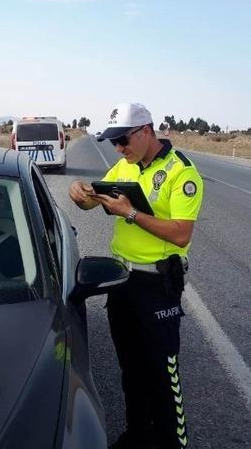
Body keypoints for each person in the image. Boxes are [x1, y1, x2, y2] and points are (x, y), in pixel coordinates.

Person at [68, 102, 204, 449]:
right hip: (123, 282)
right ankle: (138, 436)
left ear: (146, 131)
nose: (118, 149)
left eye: (123, 140)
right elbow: (94, 200)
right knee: (131, 369)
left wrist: (130, 213)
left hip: (157, 285)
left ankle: (172, 443)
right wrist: (81, 195)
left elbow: (180, 234)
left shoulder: (181, 173)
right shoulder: (125, 167)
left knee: (162, 373)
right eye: (113, 142)